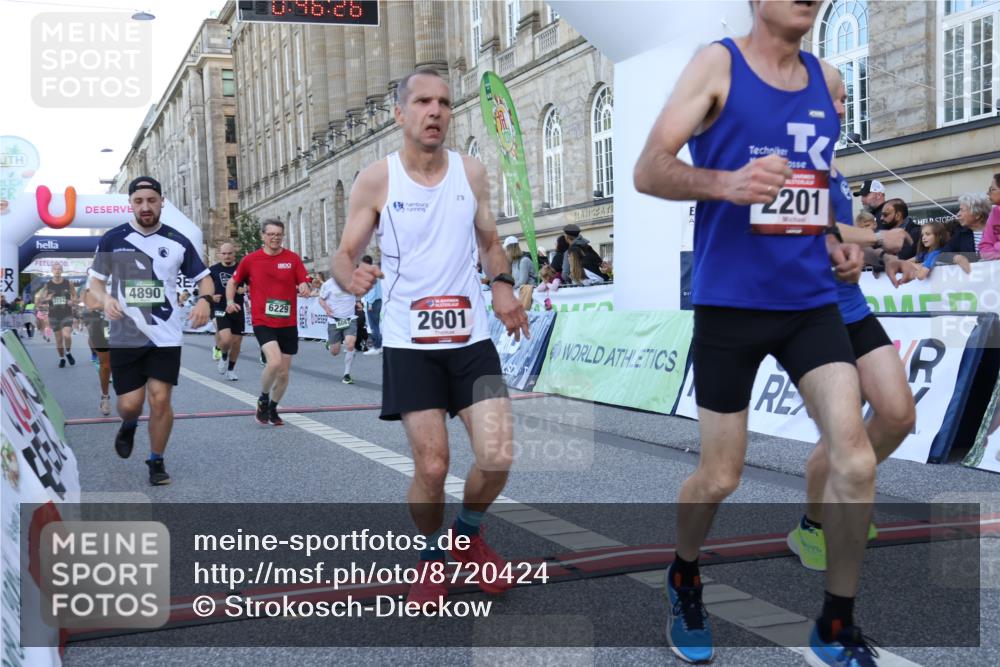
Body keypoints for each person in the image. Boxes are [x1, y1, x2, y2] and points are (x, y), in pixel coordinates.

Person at [633, 2, 879, 664]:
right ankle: (684, 573)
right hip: (731, 304)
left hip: (809, 303)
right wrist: (725, 181)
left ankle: (835, 624)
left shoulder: (828, 79)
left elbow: (813, 187)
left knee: (854, 459)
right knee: (720, 474)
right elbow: (648, 167)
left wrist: (836, 241)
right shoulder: (719, 64)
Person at [332, 68, 529, 611]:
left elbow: (491, 244)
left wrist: (504, 286)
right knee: (434, 467)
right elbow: (343, 255)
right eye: (423, 101)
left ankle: (465, 538)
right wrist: (349, 275)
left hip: (470, 338)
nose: (435, 110)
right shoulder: (377, 179)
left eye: (444, 101)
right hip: (409, 342)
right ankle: (430, 558)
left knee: (497, 455)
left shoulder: (472, 172)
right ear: (401, 114)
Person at [787, 80, 917, 574]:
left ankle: (846, 488)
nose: (842, 105)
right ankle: (813, 525)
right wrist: (880, 239)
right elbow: (804, 230)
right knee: (842, 438)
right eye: (833, 96)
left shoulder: (835, 165)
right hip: (811, 316)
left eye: (844, 97)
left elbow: (841, 244)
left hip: (853, 307)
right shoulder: (798, 158)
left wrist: (886, 258)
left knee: (899, 416)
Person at [87, 176, 213, 485]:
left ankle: (156, 461)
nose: (146, 207)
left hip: (165, 335)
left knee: (160, 399)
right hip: (125, 335)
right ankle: (129, 423)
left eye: (151, 200)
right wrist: (105, 299)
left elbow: (204, 278)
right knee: (130, 404)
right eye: (139, 201)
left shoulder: (178, 240)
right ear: (131, 204)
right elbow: (95, 283)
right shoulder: (112, 239)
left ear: (161, 202)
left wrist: (205, 301)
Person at [227, 219, 309, 426]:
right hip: (263, 320)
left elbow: (303, 280)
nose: (275, 238)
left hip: (288, 323)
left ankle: (272, 407)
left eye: (278, 234)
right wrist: (229, 300)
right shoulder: (251, 260)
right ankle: (263, 397)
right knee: (274, 362)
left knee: (283, 373)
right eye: (270, 234)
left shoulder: (292, 259)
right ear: (263, 236)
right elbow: (234, 281)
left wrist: (305, 286)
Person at [209, 242, 245, 381]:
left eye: (229, 253)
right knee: (226, 339)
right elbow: (204, 288)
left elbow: (251, 283)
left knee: (236, 343)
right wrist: (211, 297)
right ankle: (223, 355)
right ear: (219, 254)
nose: (227, 256)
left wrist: (245, 289)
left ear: (234, 254)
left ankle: (231, 369)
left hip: (237, 308)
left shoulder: (241, 268)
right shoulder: (213, 270)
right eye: (224, 253)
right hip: (220, 308)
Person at [318, 271, 359, 384]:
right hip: (334, 320)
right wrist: (326, 309)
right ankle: (329, 343)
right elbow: (321, 299)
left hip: (350, 319)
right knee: (334, 352)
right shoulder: (328, 284)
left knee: (350, 344)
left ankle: (346, 374)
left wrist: (358, 302)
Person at [36, 263, 77, 367]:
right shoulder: (47, 285)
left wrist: (72, 301)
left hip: (66, 313)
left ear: (62, 271)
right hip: (53, 315)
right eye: (55, 269)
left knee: (67, 335)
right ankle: (62, 358)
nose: (57, 271)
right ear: (52, 271)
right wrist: (47, 299)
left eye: (59, 269)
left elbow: (75, 296)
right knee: (58, 339)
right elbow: (39, 299)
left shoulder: (69, 283)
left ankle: (68, 353)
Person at [81, 288, 113, 416]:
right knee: (106, 364)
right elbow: (88, 302)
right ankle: (105, 398)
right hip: (101, 321)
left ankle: (129, 395)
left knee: (126, 361)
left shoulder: (128, 272)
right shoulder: (97, 275)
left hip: (123, 320)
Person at [361, 255, 383, 355]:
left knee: (374, 326)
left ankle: (377, 346)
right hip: (378, 300)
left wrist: (369, 303)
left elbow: (371, 290)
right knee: (376, 325)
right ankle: (379, 345)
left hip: (372, 302)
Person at [983, 172, 1000, 260]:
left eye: (992, 189)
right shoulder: (994, 213)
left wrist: (997, 246)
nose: (988, 193)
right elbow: (984, 248)